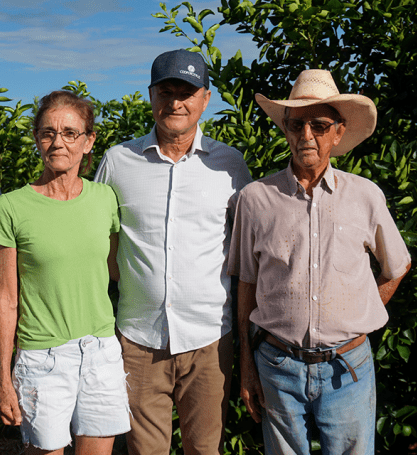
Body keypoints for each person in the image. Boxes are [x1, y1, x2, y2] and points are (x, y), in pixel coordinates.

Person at [228, 69, 412, 455]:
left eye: (320, 125)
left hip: (348, 369)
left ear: (339, 132)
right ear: (285, 129)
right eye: (297, 124)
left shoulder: (365, 196)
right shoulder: (255, 198)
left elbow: (397, 266)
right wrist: (247, 365)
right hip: (276, 365)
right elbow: (246, 282)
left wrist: (360, 313)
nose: (306, 135)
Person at [94, 49, 252, 455]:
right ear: (151, 95)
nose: (176, 102)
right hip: (139, 338)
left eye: (187, 92)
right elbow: (102, 241)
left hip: (209, 338)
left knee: (205, 449)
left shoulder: (231, 164)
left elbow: (243, 247)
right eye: (167, 91)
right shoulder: (118, 161)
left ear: (205, 98)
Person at [0, 90, 130, 455]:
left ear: (88, 141)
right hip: (42, 357)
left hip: (100, 352)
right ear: (37, 139)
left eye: (70, 133)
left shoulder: (105, 199)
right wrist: (4, 377)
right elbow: (5, 298)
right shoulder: (12, 207)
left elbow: (115, 272)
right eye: (48, 132)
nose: (58, 142)